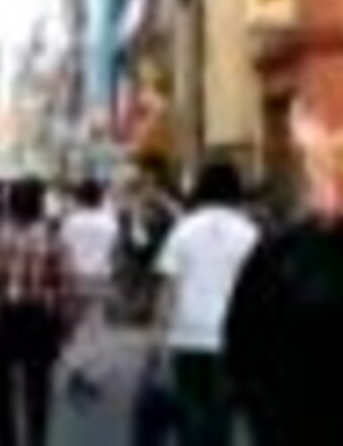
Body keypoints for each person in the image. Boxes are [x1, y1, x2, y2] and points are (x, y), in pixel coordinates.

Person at [224, 101, 343, 446]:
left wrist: (249, 400)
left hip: (295, 419)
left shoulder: (279, 255)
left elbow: (239, 339)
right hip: (341, 418)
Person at [154, 160, 259, 446]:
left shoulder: (183, 229)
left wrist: (157, 339)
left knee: (190, 414)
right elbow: (258, 292)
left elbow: (167, 289)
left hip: (186, 335)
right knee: (222, 416)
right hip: (232, 338)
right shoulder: (250, 233)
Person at [0, 178, 76, 446]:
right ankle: (36, 438)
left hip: (7, 314)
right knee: (37, 385)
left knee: (1, 385)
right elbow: (66, 283)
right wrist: (65, 323)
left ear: (11, 204)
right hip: (39, 316)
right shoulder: (53, 237)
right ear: (40, 204)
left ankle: (6, 439)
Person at [60, 178, 119, 399]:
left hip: (75, 277)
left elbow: (64, 251)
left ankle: (76, 367)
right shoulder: (110, 222)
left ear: (79, 197)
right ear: (100, 197)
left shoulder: (70, 221)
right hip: (100, 277)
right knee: (96, 325)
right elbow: (114, 251)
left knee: (75, 325)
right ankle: (90, 374)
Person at [115, 163, 178, 324]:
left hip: (156, 252)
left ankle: (147, 309)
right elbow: (130, 232)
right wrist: (136, 211)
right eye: (147, 184)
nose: (150, 189)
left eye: (153, 184)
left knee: (152, 284)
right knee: (138, 281)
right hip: (135, 254)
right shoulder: (131, 206)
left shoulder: (165, 206)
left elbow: (177, 220)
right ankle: (137, 309)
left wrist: (164, 203)